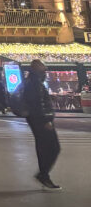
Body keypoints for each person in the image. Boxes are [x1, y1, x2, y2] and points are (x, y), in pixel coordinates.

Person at [24, 59, 61, 189]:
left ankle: (44, 175)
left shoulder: (34, 81)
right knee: (54, 148)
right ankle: (43, 174)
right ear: (37, 68)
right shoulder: (35, 83)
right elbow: (37, 104)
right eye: (43, 67)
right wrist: (46, 121)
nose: (45, 69)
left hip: (37, 120)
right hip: (41, 121)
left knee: (43, 148)